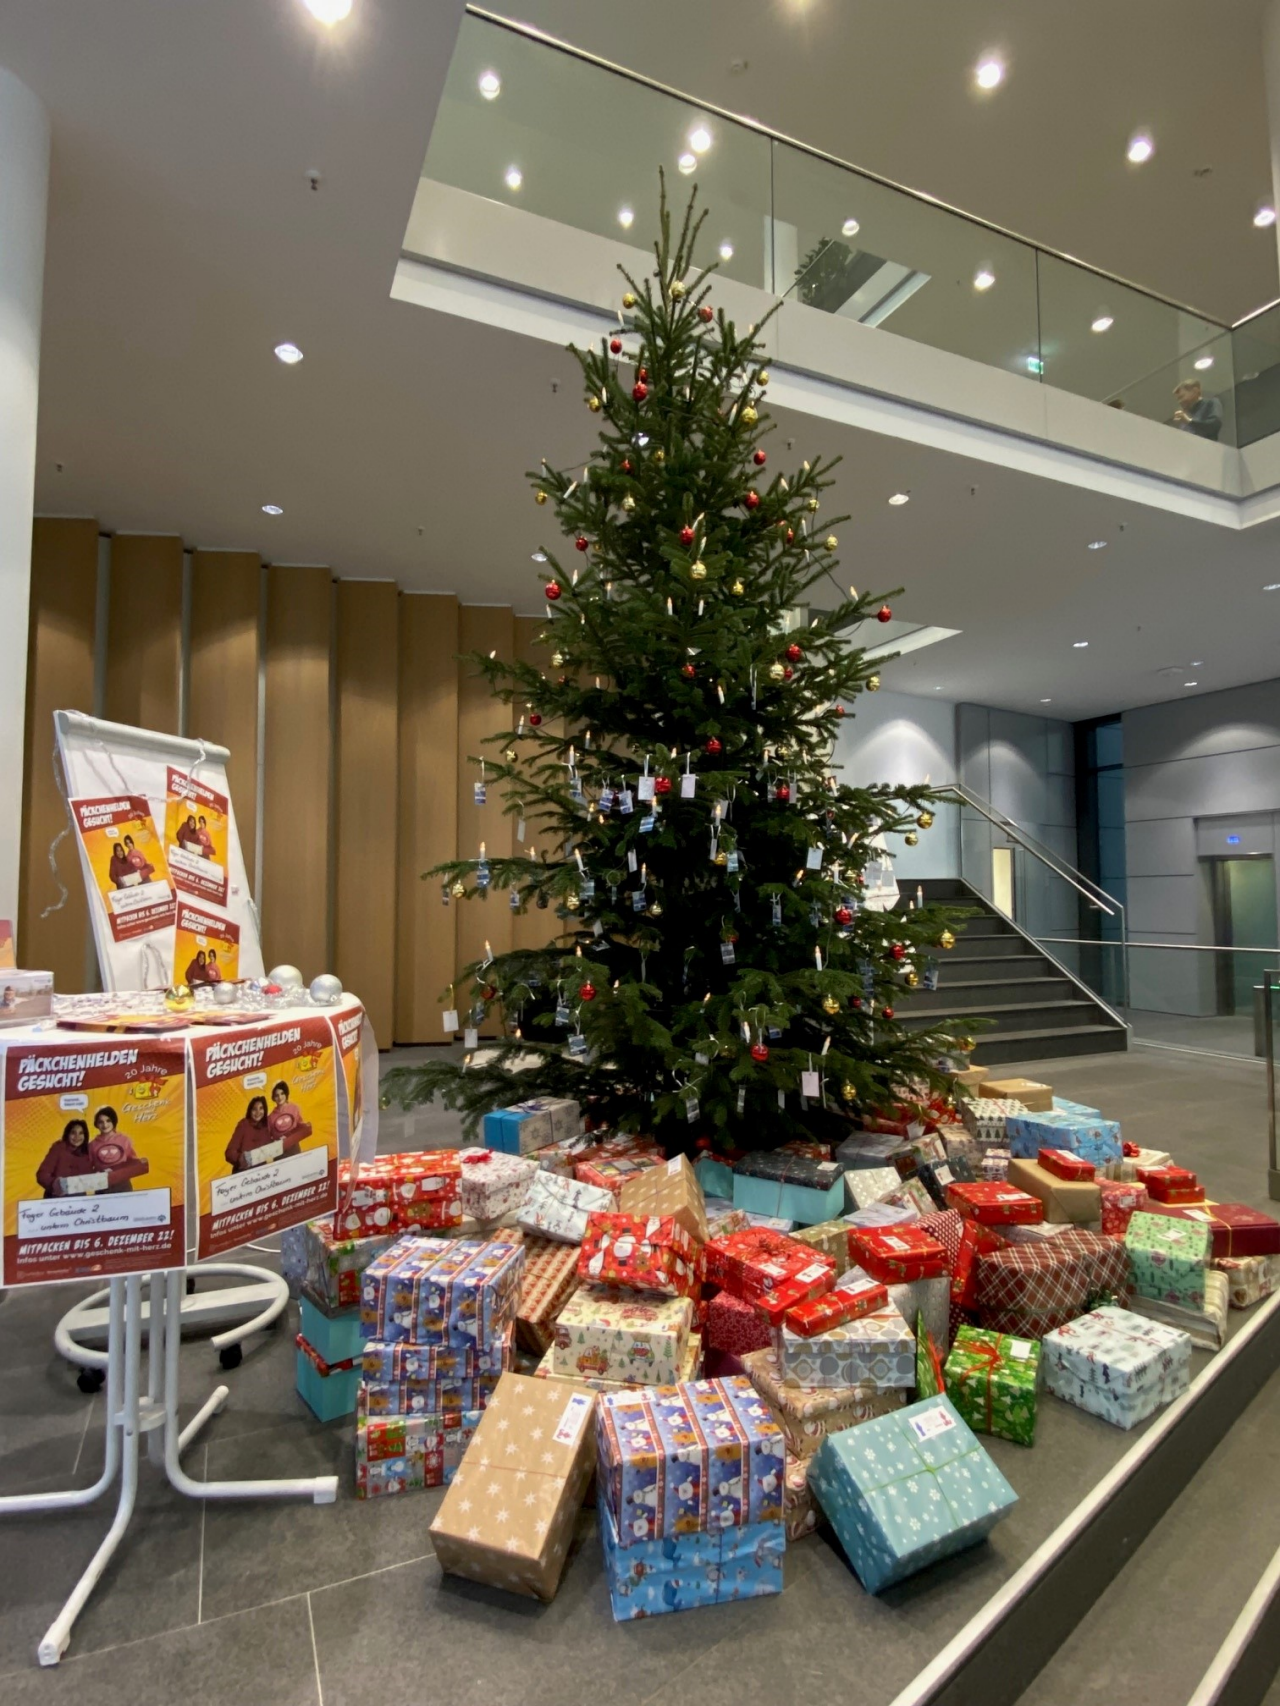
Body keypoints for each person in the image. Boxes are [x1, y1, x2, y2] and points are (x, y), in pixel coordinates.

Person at [36, 1119, 99, 1197]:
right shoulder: (58, 1149)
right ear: (67, 1134)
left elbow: (89, 1177)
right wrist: (55, 1184)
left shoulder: (87, 1152)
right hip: (56, 1197)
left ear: (85, 1136)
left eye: (81, 1133)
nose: (77, 1137)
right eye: (73, 1133)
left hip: (79, 1198)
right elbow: (42, 1175)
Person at [89, 1104, 140, 1192]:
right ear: (96, 1124)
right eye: (101, 1122)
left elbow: (133, 1161)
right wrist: (97, 1175)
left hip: (123, 1185)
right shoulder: (92, 1145)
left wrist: (121, 1171)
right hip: (102, 1186)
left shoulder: (124, 1140)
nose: (105, 1125)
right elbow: (88, 1168)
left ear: (114, 1121)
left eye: (108, 1121)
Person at [225, 1095, 274, 1171]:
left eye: (261, 1108)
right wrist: (242, 1159)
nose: (258, 1112)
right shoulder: (243, 1125)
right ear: (250, 1111)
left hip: (262, 1172)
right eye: (254, 1109)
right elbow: (229, 1152)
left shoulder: (267, 1126)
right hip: (244, 1171)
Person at [268, 1078, 311, 1148]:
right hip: (279, 1150)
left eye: (282, 1093)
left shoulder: (294, 1108)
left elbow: (300, 1125)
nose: (280, 1097)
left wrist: (305, 1126)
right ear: (273, 1098)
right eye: (276, 1095)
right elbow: (268, 1137)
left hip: (295, 1146)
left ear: (286, 1093)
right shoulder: (270, 1117)